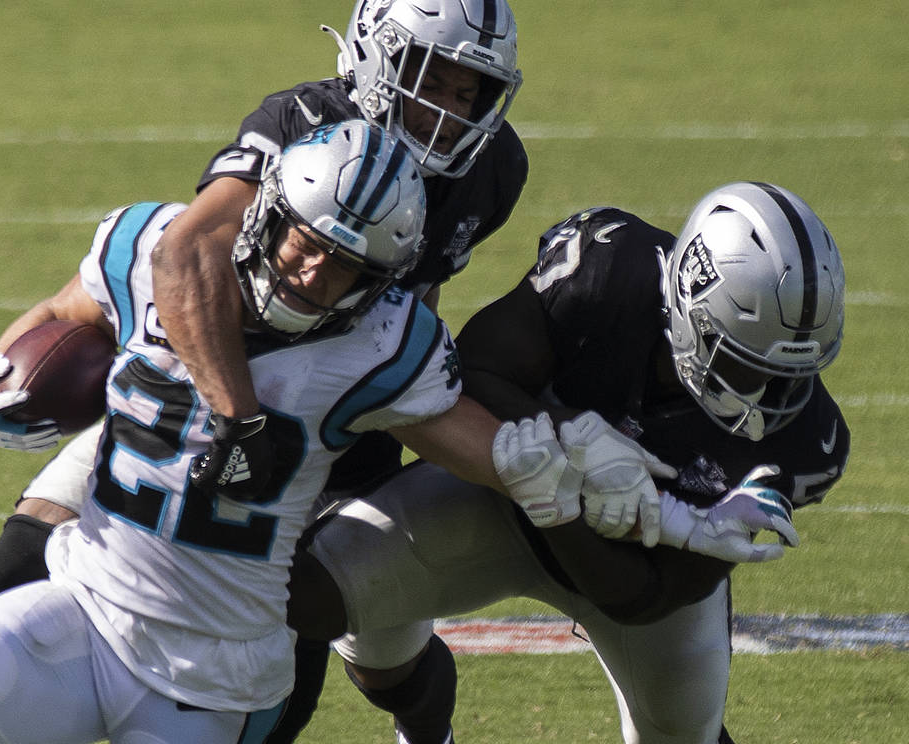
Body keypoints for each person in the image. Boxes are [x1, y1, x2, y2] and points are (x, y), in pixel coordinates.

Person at [0, 120, 654, 744]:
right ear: (268, 212)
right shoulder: (147, 245)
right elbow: (63, 316)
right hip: (85, 601)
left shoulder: (380, 347)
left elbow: (479, 449)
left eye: (347, 266)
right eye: (306, 240)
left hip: (215, 669)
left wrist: (567, 472)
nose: (315, 272)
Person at [0, 0, 530, 739]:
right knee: (28, 552)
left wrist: (385, 397)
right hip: (204, 379)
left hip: (331, 403)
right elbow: (185, 253)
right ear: (377, 53)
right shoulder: (300, 123)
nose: (450, 112)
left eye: (470, 93)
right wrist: (236, 414)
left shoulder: (493, 170)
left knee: (350, 643)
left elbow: (414, 303)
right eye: (433, 80)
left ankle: (429, 731)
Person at [287, 181, 850, 743]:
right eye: (748, 365)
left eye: (791, 374)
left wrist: (561, 506)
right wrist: (572, 440)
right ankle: (425, 731)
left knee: (683, 735)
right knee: (316, 598)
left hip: (629, 571)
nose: (772, 399)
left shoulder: (805, 442)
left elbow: (641, 599)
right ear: (686, 305)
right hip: (499, 498)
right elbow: (472, 375)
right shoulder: (607, 270)